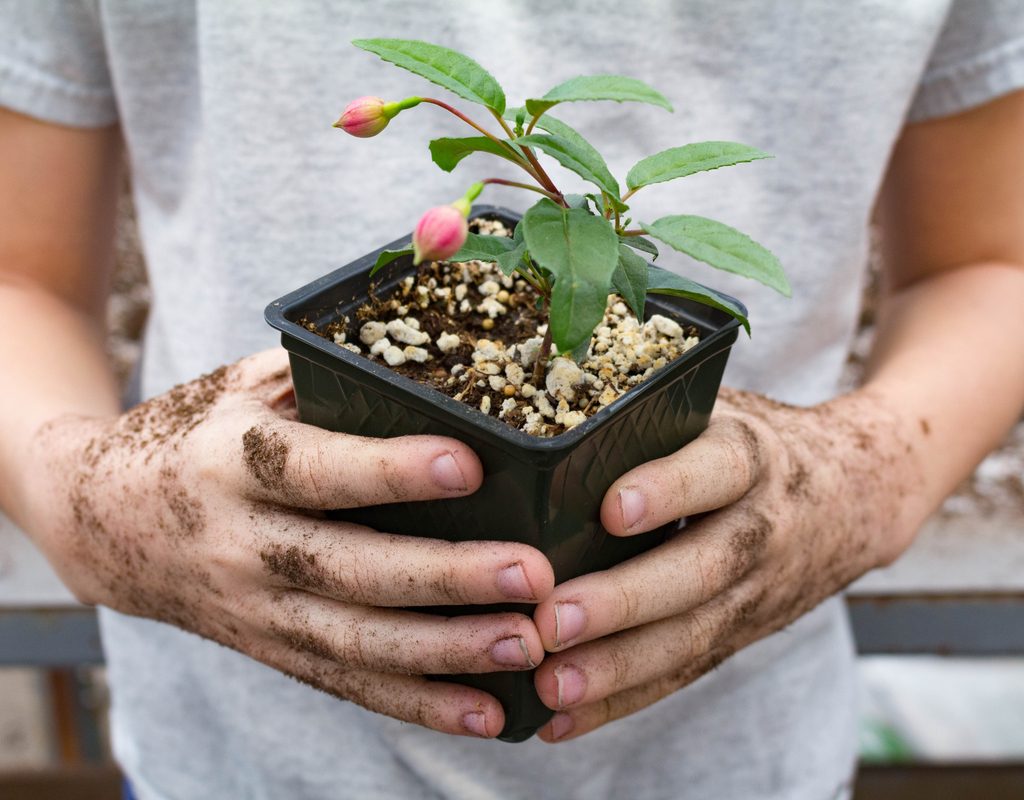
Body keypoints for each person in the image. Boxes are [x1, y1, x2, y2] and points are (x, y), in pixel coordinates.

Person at [1, 2, 1023, 798]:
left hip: (745, 750)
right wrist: (80, 497)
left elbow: (991, 259)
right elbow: (18, 277)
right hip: (224, 756)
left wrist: (870, 477)